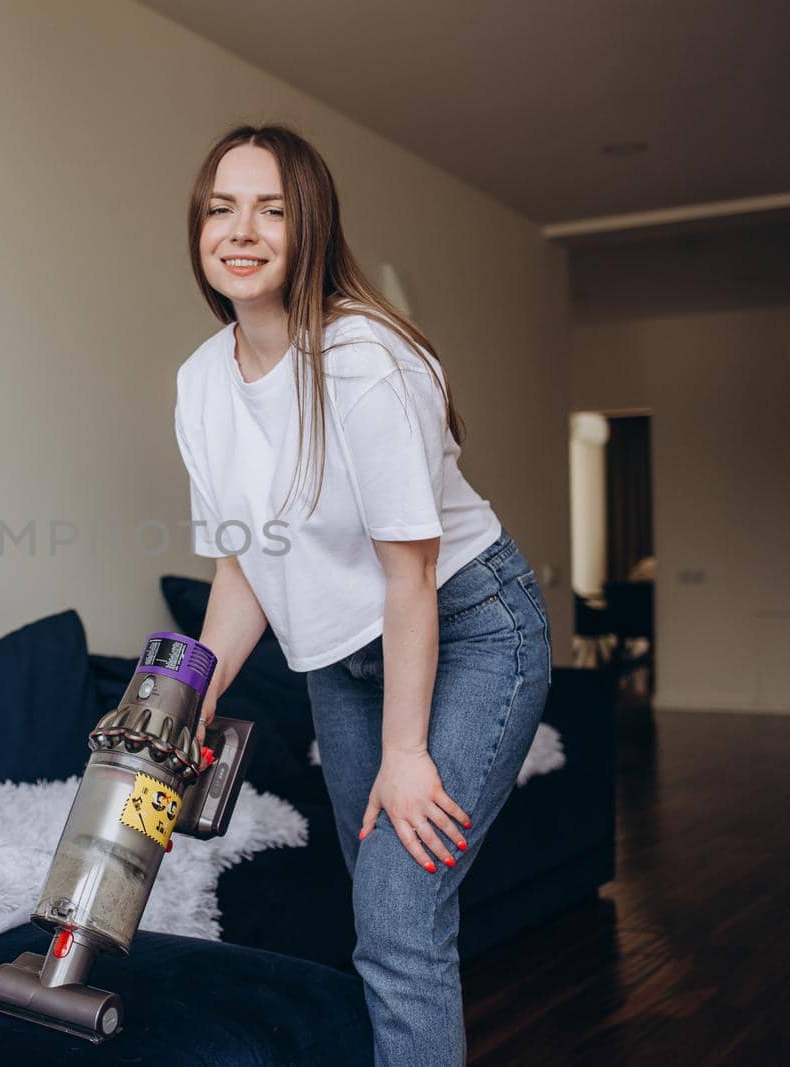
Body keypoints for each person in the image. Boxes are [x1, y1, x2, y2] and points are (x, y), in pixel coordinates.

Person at [173, 124, 552, 1065]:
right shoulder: (199, 385)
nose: (242, 229)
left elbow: (411, 575)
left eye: (271, 208)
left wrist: (407, 750)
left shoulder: (363, 361)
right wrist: (194, 697)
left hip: (468, 629)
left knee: (395, 914)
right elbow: (242, 566)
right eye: (222, 208)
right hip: (343, 664)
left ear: (311, 228)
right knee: (383, 901)